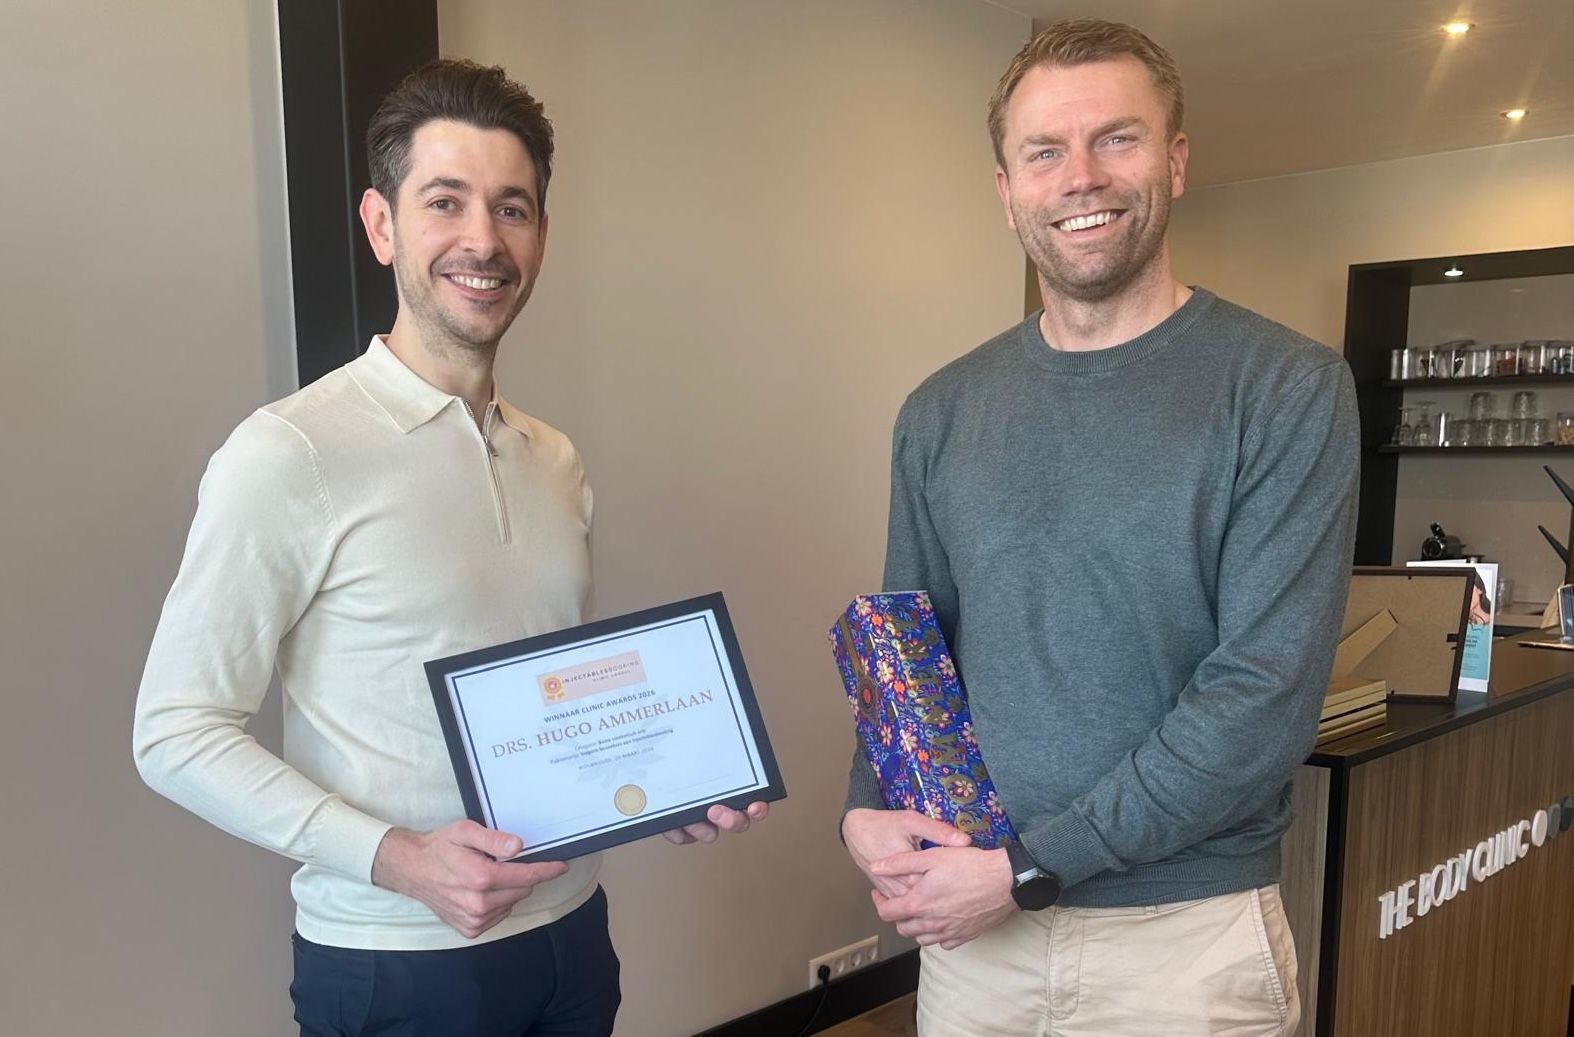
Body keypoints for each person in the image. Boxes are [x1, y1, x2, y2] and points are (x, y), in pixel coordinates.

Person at [134, 59, 764, 1037]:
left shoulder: (552, 457)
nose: (483, 239)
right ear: (382, 224)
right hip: (397, 961)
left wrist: (655, 787)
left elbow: (551, 708)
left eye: (512, 209)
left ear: (542, 238)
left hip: (571, 935)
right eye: (445, 202)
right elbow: (175, 730)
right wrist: (399, 856)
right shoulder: (288, 453)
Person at [840, 19, 1358, 1036]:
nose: (1079, 176)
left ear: (1172, 159)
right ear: (1005, 191)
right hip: (975, 943)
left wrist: (1030, 866)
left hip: (1183, 943)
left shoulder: (1284, 388)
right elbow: (906, 644)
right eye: (1044, 151)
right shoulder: (941, 410)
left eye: (1114, 139)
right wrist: (867, 802)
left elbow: (1258, 702)